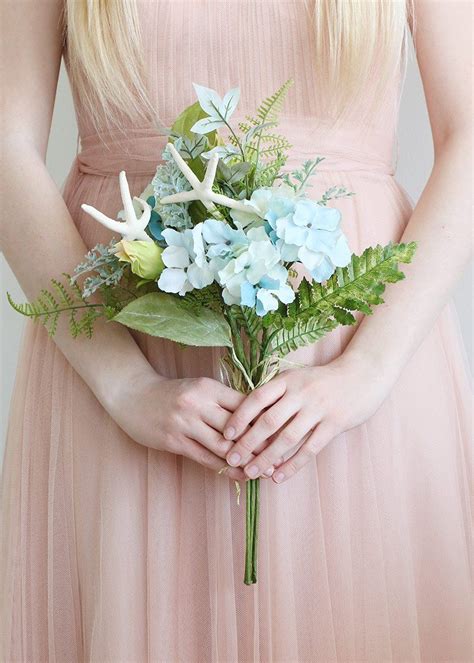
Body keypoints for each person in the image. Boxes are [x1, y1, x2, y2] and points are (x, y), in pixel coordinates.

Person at [1, 1, 471, 661]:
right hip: (115, 362)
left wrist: (365, 370)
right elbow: (6, 143)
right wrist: (122, 381)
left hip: (361, 368)